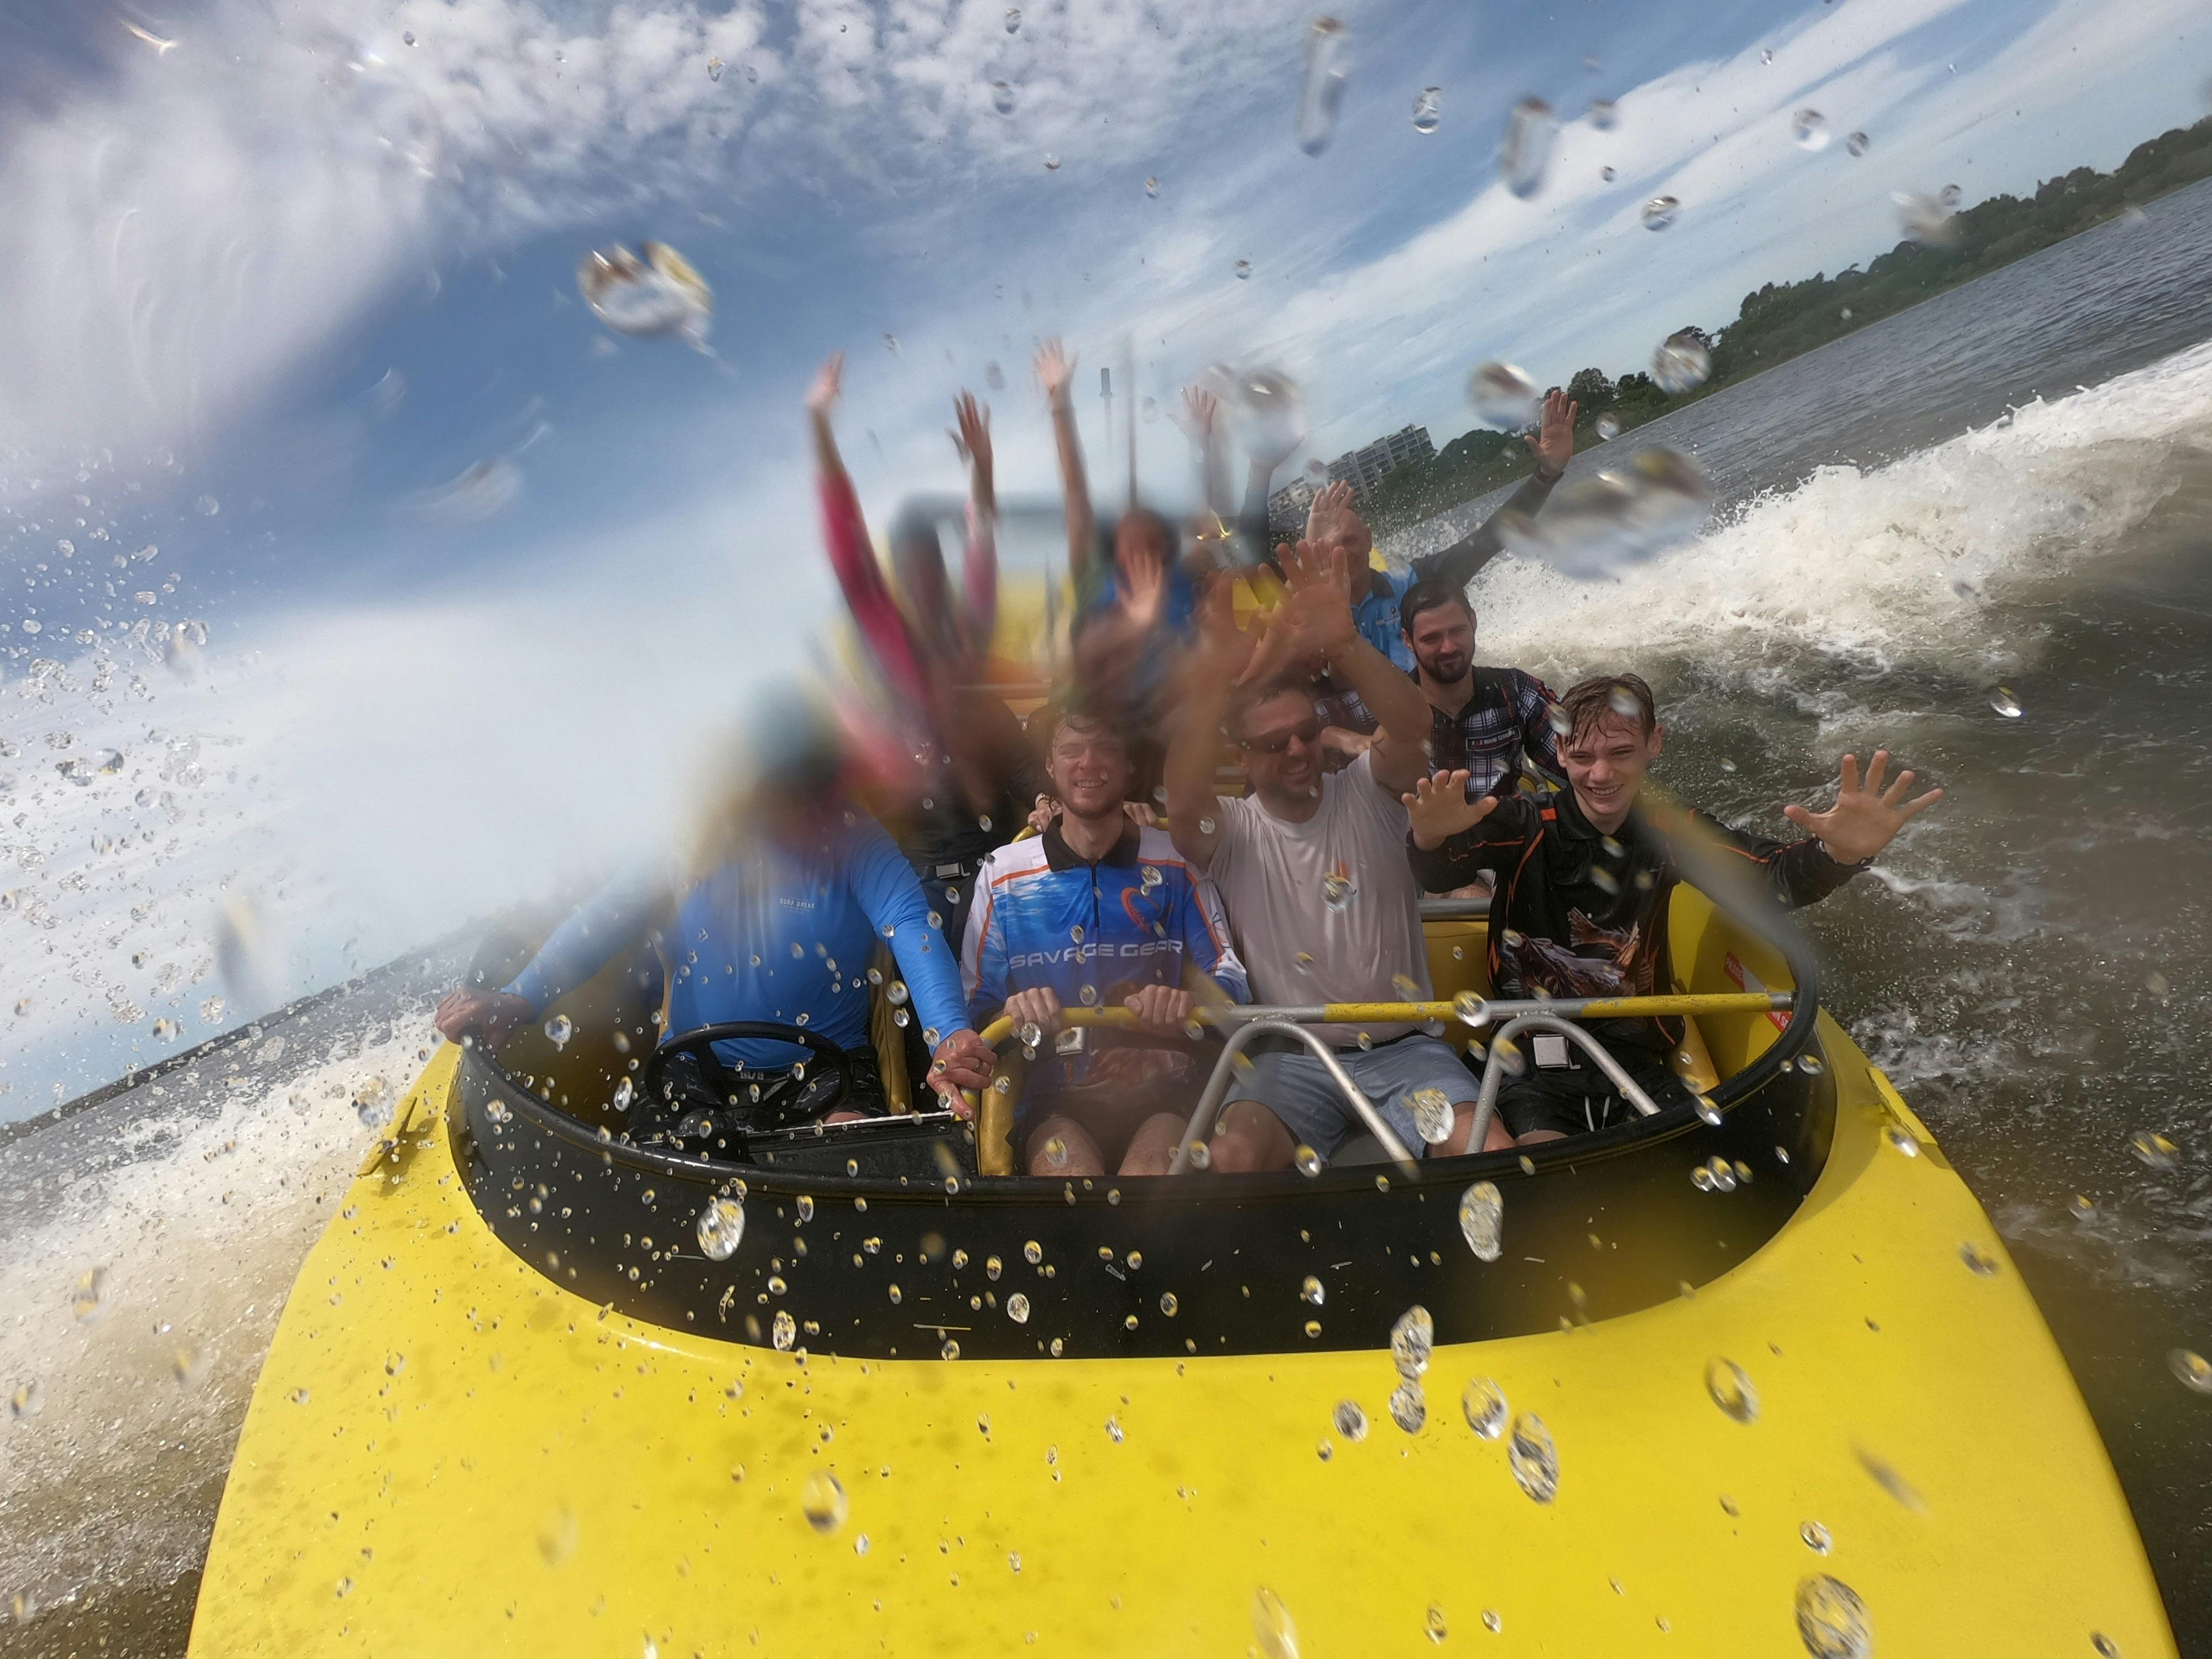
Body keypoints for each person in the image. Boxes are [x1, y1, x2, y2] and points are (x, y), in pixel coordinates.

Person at [1404, 673, 1944, 1142]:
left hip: (1639, 1054)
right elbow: (1443, 874)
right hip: (1531, 1057)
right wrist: (1429, 839)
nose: (1600, 775)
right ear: (1561, 751)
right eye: (1584, 757)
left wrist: (1839, 854)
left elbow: (1767, 879)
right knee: (1544, 1168)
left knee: (1692, 1160)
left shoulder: (1669, 829)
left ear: (1653, 744)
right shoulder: (1524, 820)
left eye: (1621, 754)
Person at [432, 701, 994, 1134]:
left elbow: (911, 926)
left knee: (849, 1160)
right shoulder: (691, 840)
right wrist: (519, 997)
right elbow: (605, 918)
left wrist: (949, 1033)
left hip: (830, 1072)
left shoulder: (857, 840)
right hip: (692, 1067)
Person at [1165, 541, 1511, 1170]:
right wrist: (1213, 682)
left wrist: (1347, 645)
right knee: (1231, 1159)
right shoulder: (1233, 831)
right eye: (1275, 744)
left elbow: (1412, 732)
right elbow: (1184, 803)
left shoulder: (1368, 791)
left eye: (1305, 733)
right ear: (1240, 757)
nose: (1298, 750)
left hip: (1407, 1051)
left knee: (1484, 1148)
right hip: (1290, 1057)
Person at [807, 351, 1042, 952]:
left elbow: (982, 542)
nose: (923, 578)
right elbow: (847, 546)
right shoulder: (888, 637)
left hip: (995, 858)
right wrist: (821, 428)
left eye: (931, 565)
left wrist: (983, 469)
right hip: (923, 871)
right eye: (909, 568)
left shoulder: (967, 631)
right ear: (897, 576)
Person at [963, 706, 1249, 1177]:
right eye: (1071, 751)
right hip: (1055, 1094)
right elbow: (976, 1007)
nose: (1089, 763)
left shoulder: (1177, 863)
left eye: (1106, 750)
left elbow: (1232, 984)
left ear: (1130, 765)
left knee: (1148, 1179)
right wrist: (1011, 1011)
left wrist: (1187, 1003)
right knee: (1070, 1180)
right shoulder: (1003, 874)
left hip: (1166, 1089)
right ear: (1050, 766)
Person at [1312, 387, 1578, 675]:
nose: (1342, 553)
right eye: (1331, 546)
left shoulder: (1413, 584)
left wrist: (1546, 476)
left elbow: (1490, 539)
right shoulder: (1310, 611)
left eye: (1350, 540)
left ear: (1368, 539)